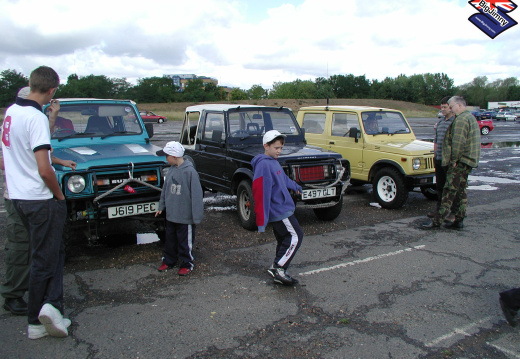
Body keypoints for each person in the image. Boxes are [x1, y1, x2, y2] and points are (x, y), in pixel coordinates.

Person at [1, 67, 71, 339]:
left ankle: (52, 309)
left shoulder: (11, 112)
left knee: (52, 254)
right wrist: (59, 195)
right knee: (45, 259)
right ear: (52, 90)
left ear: (31, 84)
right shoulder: (34, 118)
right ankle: (36, 320)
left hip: (17, 196)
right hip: (39, 198)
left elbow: (13, 153)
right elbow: (44, 169)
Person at [251, 130, 304, 286]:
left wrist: (294, 186)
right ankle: (279, 268)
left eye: (281, 148)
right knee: (296, 237)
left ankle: (277, 267)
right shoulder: (263, 165)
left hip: (284, 209)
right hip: (280, 212)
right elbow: (260, 193)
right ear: (266, 146)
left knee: (284, 239)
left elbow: (282, 178)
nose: (279, 151)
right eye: (276, 148)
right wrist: (261, 221)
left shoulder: (273, 161)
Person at [421, 96, 481, 230]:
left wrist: (453, 161)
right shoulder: (470, 117)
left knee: (449, 190)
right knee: (460, 191)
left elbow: (458, 143)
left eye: (452, 106)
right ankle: (458, 220)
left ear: (459, 105)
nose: (451, 109)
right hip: (468, 161)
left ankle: (437, 221)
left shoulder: (461, 119)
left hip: (460, 162)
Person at [155, 141, 204, 276]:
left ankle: (187, 262)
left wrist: (196, 216)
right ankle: (169, 260)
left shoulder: (190, 172)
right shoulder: (170, 170)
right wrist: (161, 206)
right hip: (171, 216)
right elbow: (165, 190)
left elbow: (197, 195)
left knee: (184, 242)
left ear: (174, 156)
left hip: (185, 218)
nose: (166, 159)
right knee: (170, 240)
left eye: (167, 156)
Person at [427, 96, 455, 218]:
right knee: (440, 186)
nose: (442, 109)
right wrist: (435, 155)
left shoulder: (455, 122)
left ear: (451, 107)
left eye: (445, 107)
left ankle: (452, 212)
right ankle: (439, 210)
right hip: (439, 159)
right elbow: (436, 140)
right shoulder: (441, 122)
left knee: (451, 187)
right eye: (441, 107)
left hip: (449, 160)